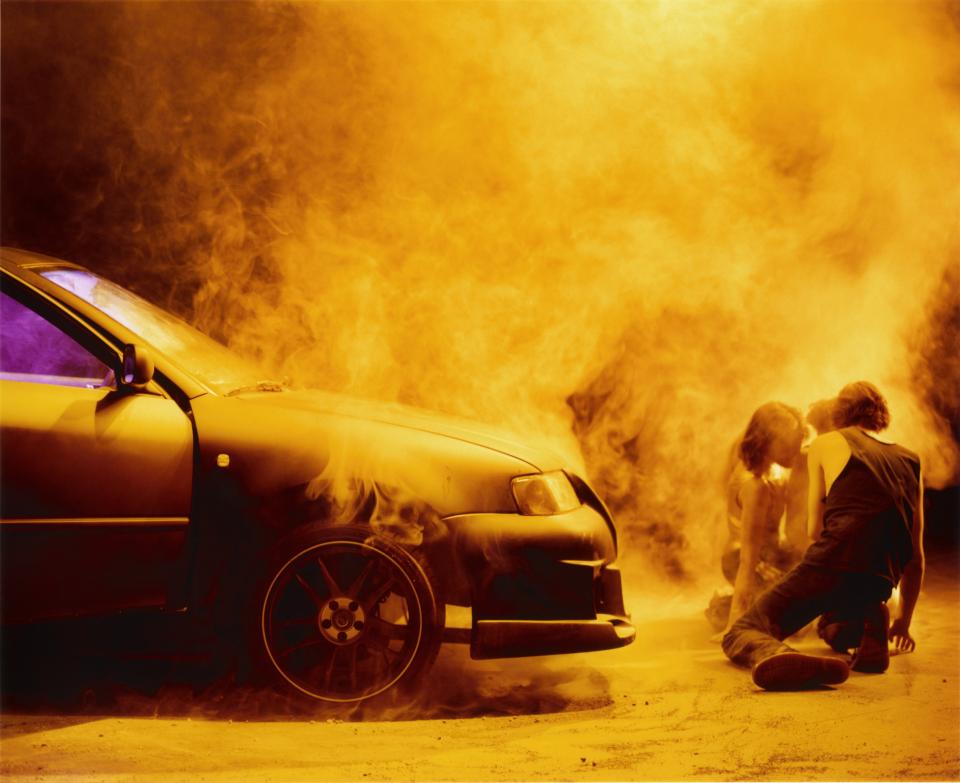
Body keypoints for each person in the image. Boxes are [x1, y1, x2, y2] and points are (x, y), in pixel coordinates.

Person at [722, 381, 924, 690]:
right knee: (833, 629)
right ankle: (870, 624)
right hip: (880, 580)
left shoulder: (826, 443)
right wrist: (903, 624)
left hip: (833, 560)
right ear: (881, 415)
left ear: (838, 414)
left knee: (741, 632)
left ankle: (778, 655)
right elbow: (915, 556)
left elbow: (814, 531)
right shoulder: (911, 459)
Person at [706, 403, 805, 634]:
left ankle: (734, 606)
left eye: (798, 439)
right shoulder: (754, 484)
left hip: (771, 556)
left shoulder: (775, 469)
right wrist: (736, 625)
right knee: (794, 622)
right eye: (789, 441)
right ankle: (729, 609)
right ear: (767, 440)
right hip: (744, 559)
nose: (797, 447)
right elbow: (748, 560)